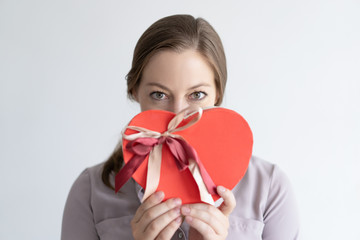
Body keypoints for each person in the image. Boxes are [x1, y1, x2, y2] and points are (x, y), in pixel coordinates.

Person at [61, 14, 300, 240]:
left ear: (217, 94)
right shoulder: (90, 191)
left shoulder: (269, 188)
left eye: (197, 94)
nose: (177, 115)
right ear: (134, 91)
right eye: (158, 94)